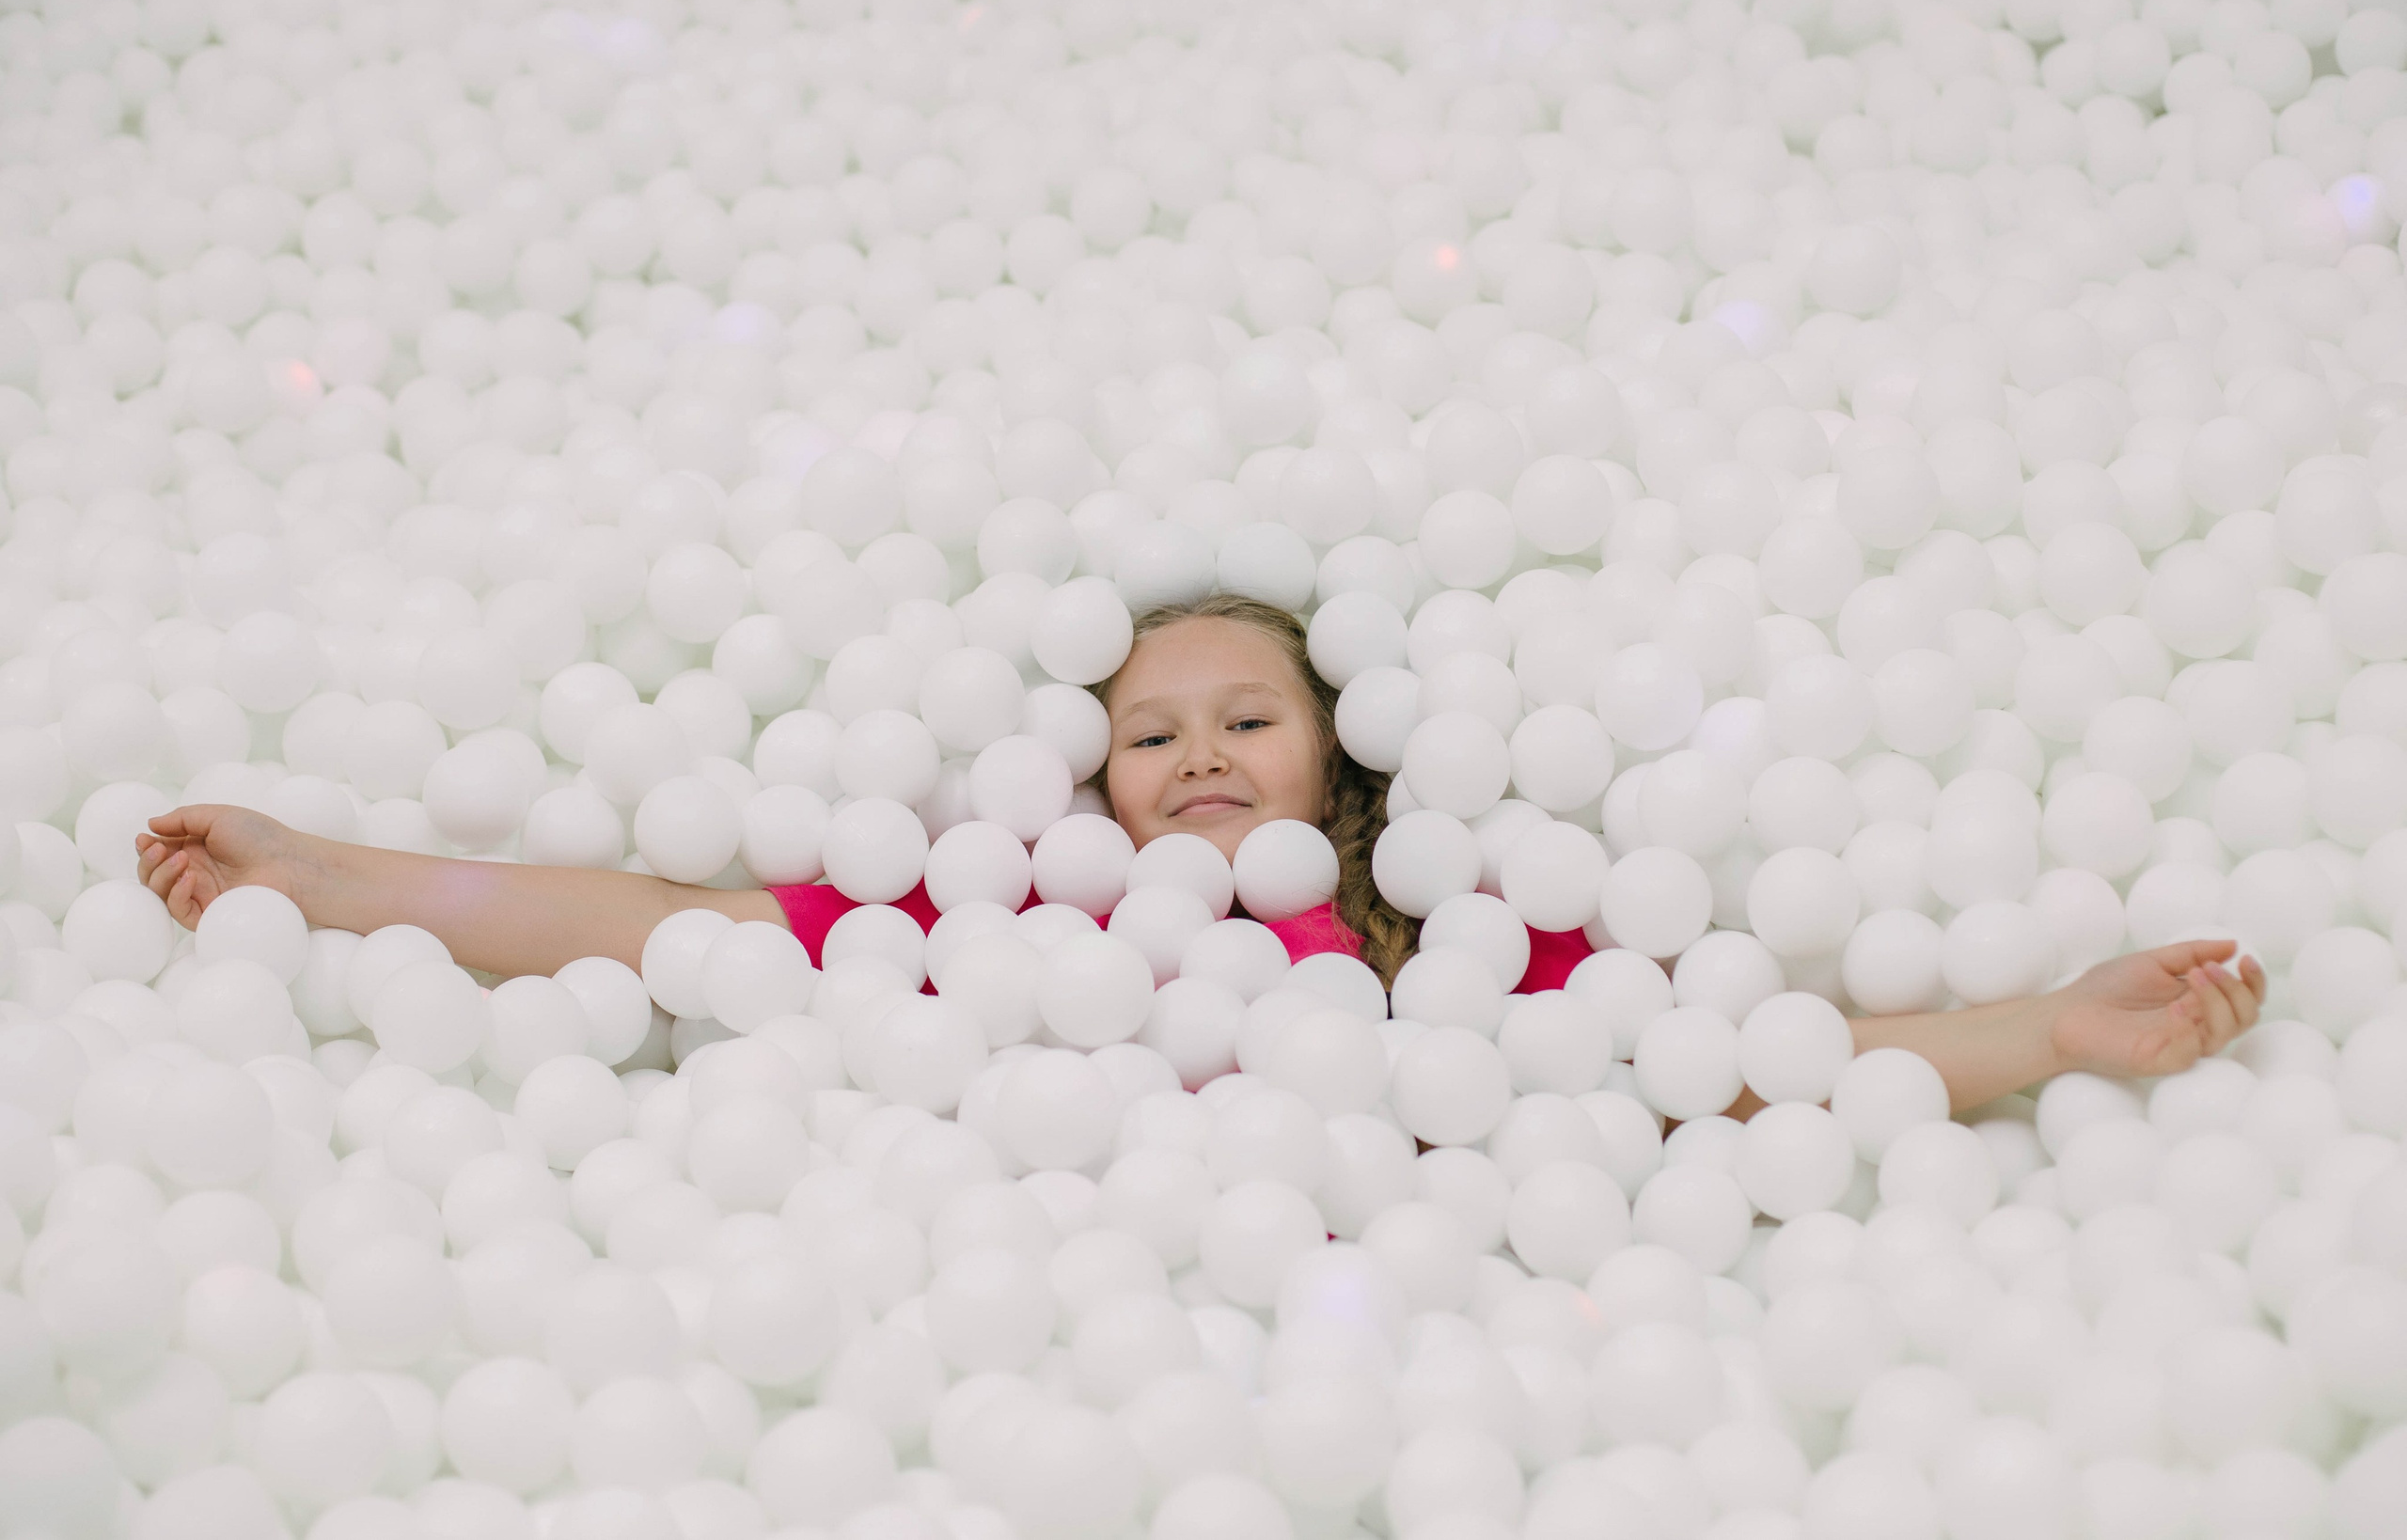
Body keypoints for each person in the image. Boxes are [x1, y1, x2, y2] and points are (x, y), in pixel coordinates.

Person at [134, 590, 2263, 1115]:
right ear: (1090, 778)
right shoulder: (999, 912)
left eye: (1246, 717)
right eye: (1146, 729)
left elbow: (1738, 1059)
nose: (1195, 753)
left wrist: (2047, 1031)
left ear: (1341, 757)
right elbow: (645, 919)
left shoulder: (1441, 943)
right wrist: (328, 871)